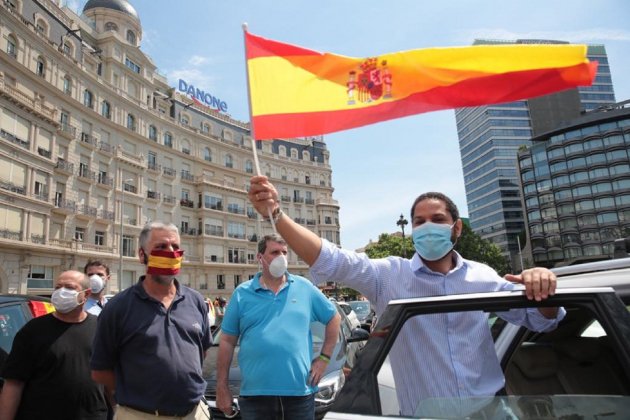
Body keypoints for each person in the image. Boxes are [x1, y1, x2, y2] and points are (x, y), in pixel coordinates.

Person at [248, 175, 565, 416]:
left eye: (438, 220)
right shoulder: (388, 276)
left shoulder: (482, 276)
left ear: (456, 229)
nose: (428, 227)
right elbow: (330, 258)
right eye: (419, 222)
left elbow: (542, 320)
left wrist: (542, 283)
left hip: (491, 411)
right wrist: (275, 214)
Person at [90, 221, 212, 419]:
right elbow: (100, 371)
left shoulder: (195, 300)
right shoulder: (118, 307)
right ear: (141, 255)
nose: (171, 252)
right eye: (161, 247)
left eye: (175, 247)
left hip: (194, 413)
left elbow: (202, 351)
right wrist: (139, 397)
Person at [216, 234, 341, 420]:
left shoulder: (304, 287)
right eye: (275, 252)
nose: (281, 257)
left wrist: (323, 359)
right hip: (255, 398)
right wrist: (222, 387)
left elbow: (334, 318)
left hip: (300, 395)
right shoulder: (242, 293)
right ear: (260, 258)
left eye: (284, 252)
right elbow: (226, 341)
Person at [0, 270, 107, 420]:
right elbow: (13, 383)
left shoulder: (101, 327)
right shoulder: (33, 330)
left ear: (87, 294)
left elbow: (108, 377)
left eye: (69, 287)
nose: (61, 292)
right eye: (58, 287)